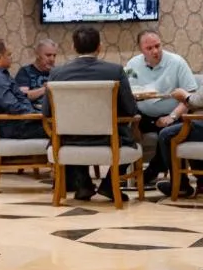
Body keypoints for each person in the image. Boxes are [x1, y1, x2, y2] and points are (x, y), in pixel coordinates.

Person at [44, 25, 139, 202]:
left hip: (68, 140)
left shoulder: (57, 73)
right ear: (99, 47)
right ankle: (109, 185)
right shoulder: (115, 71)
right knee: (132, 137)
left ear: (73, 47)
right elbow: (130, 109)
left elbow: (46, 111)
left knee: (71, 131)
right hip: (108, 139)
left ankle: (83, 184)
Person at [153, 31, 203, 198]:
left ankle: (180, 185)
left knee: (167, 134)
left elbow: (202, 100)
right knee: (191, 128)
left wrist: (184, 96)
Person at [126, 29, 198, 137]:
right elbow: (126, 93)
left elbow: (191, 95)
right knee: (124, 131)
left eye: (157, 46)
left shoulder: (177, 62)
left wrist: (172, 116)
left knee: (166, 135)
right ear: (141, 49)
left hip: (173, 116)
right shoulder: (132, 64)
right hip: (142, 117)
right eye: (149, 48)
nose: (155, 51)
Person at [0, 39, 46, 140]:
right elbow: (13, 106)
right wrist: (36, 115)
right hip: (16, 126)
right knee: (62, 129)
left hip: (19, 122)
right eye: (9, 55)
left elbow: (18, 97)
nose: (11, 58)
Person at [16, 39, 57, 110]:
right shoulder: (25, 72)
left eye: (54, 55)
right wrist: (45, 89)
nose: (52, 59)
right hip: (34, 114)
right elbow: (22, 96)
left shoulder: (57, 72)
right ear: (37, 55)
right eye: (48, 55)